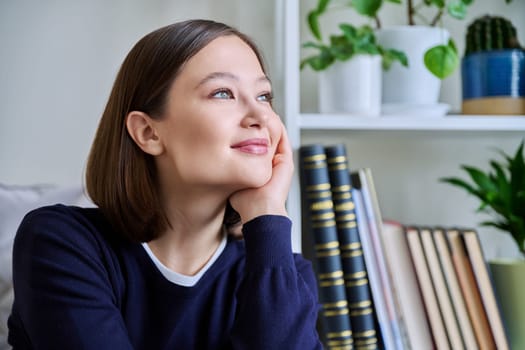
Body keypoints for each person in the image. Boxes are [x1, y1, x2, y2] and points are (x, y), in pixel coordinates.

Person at [7, 19, 323, 349]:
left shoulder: (282, 273)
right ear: (148, 132)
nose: (260, 117)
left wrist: (269, 213)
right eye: (222, 93)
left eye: (263, 95)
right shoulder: (61, 242)